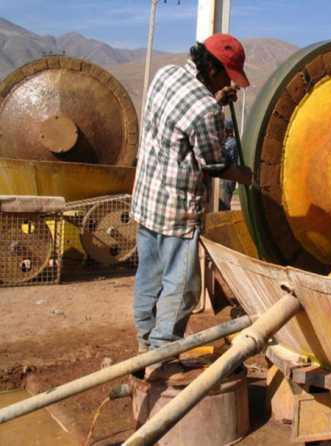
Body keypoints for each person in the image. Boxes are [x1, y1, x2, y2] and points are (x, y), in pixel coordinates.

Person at [130, 34, 252, 371]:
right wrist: (246, 175)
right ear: (212, 69)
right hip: (177, 212)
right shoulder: (205, 110)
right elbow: (213, 165)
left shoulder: (165, 75)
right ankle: (162, 356)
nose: (229, 82)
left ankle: (144, 342)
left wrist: (215, 98)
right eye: (227, 75)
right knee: (182, 287)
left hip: (147, 200)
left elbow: (177, 123)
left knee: (148, 275)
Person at [218, 118, 239, 211]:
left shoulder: (231, 144)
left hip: (227, 179)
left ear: (227, 130)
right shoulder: (228, 142)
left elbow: (225, 159)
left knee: (224, 205)